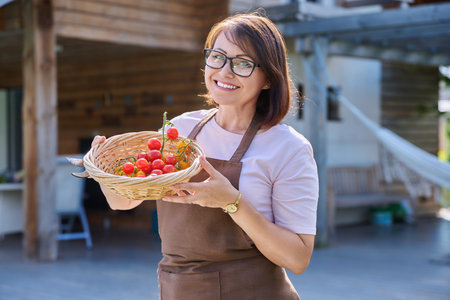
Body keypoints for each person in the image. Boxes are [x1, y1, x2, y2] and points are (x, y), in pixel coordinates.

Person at [92, 12, 318, 300]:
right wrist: (104, 172)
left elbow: (297, 258)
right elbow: (123, 202)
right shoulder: (180, 131)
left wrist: (232, 202)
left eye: (243, 63)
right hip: (179, 290)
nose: (224, 71)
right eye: (217, 57)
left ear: (268, 79)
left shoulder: (288, 148)